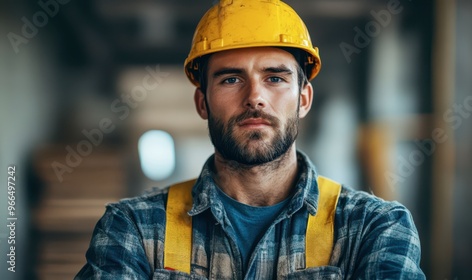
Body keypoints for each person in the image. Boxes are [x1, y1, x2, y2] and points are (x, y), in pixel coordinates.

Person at [76, 0, 425, 279]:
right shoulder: (133, 228)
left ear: (303, 99)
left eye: (274, 78)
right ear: (203, 103)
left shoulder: (372, 227)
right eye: (230, 79)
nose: (255, 96)